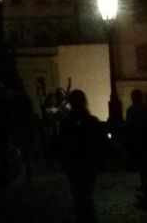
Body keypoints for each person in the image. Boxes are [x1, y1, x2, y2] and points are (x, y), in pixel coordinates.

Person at [59, 89, 106, 223]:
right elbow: (100, 143)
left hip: (73, 163)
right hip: (89, 163)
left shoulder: (66, 122)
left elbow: (62, 144)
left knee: (78, 194)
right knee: (87, 194)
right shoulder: (92, 121)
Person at [124, 89, 147, 197]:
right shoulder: (142, 109)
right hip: (142, 141)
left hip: (142, 140)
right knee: (143, 163)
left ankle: (144, 183)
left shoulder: (137, 110)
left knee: (143, 163)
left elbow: (129, 125)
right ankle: (144, 183)